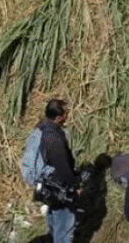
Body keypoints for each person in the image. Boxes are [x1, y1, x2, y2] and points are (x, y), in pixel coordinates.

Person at [36, 99, 81, 243]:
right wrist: (74, 186)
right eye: (65, 113)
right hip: (59, 187)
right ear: (59, 117)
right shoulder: (54, 138)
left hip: (47, 184)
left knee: (54, 218)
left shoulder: (42, 128)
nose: (68, 115)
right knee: (64, 226)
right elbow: (63, 167)